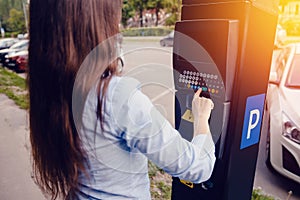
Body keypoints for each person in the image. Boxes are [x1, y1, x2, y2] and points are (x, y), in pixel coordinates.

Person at [28, 0, 216, 199]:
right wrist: (202, 119)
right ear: (96, 23)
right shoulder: (115, 96)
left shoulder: (50, 90)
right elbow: (197, 168)